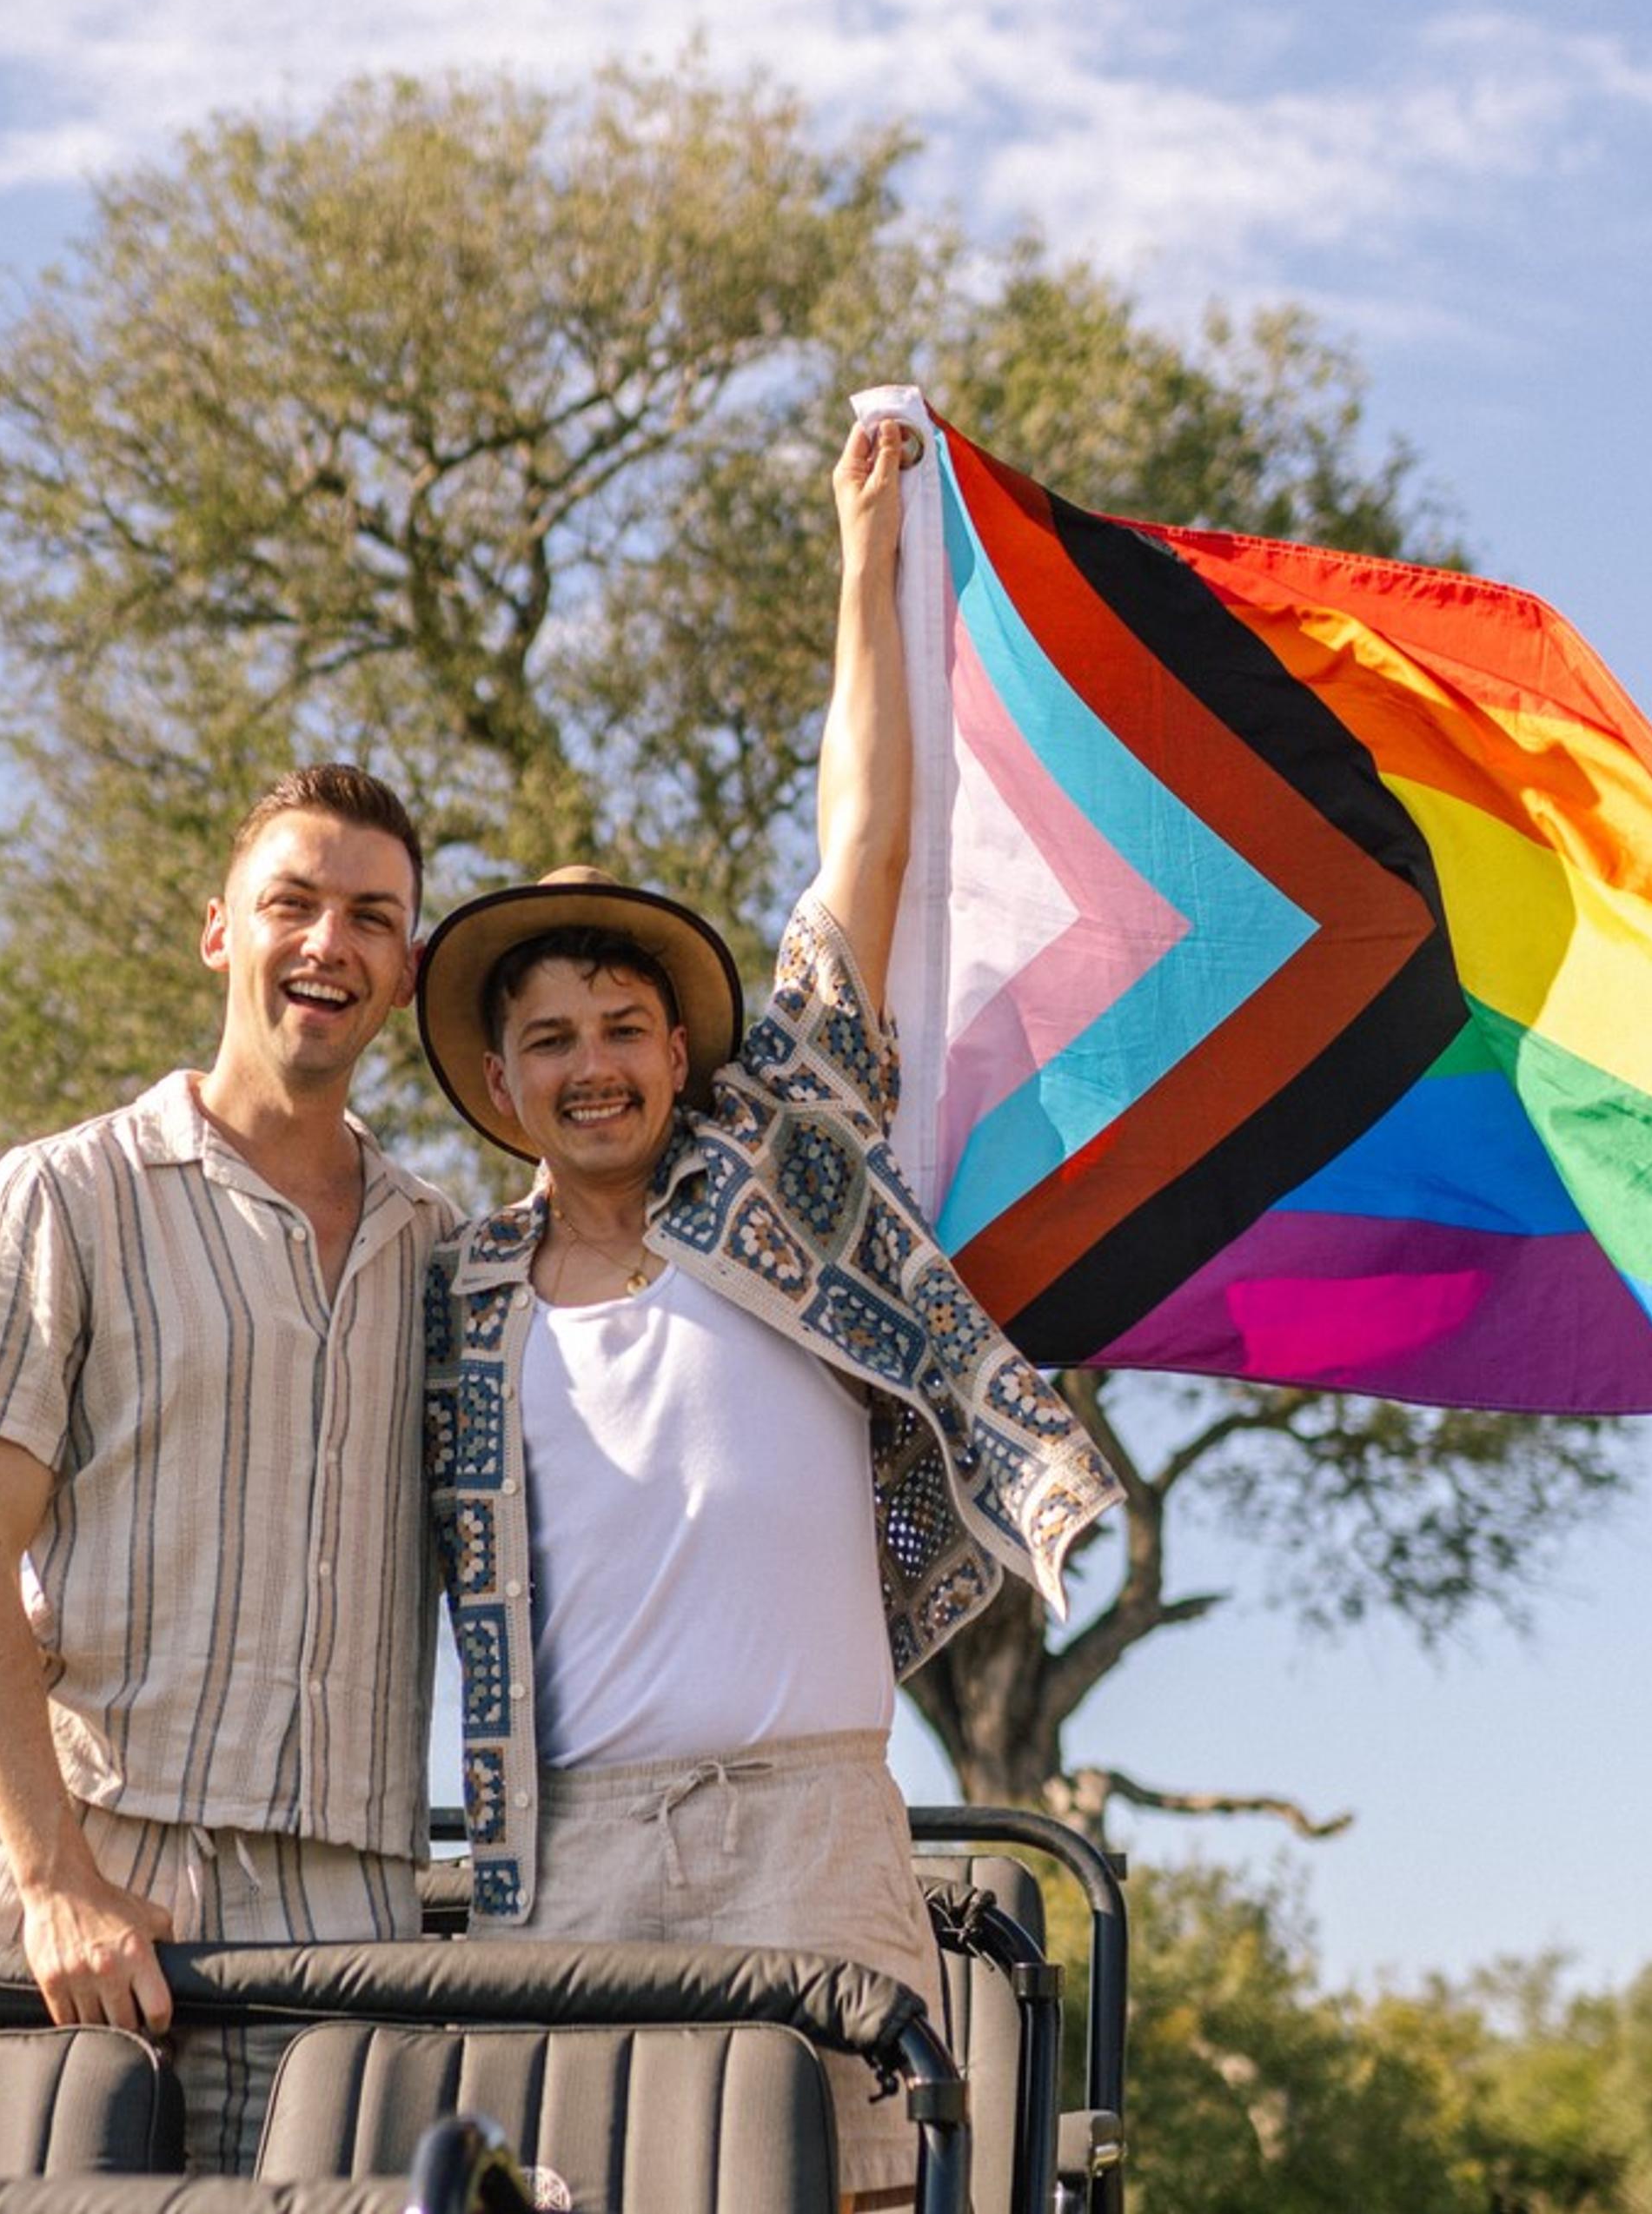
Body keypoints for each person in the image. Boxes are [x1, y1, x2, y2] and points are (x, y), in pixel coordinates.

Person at [413, 414, 1119, 2208]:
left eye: (625, 1030)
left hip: (809, 1821)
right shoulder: (454, 1301)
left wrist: (862, 569)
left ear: (682, 1048)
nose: (595, 1069)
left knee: (864, 2188)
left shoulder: (777, 1154)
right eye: (552, 1042)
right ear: (502, 1083)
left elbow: (865, 843)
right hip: (568, 1851)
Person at [0, 763, 457, 2171]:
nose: (329, 942)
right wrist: (54, 1879)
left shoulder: (453, 1255)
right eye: (295, 903)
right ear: (222, 930)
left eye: (372, 918)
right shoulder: (61, 1196)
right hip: (61, 1891)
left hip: (338, 1924)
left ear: (407, 971)